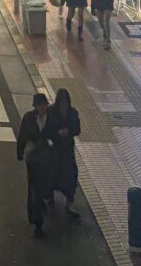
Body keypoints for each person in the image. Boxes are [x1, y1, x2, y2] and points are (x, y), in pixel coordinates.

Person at [16, 92, 55, 239]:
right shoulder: (29, 118)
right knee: (34, 188)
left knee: (43, 185)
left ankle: (42, 200)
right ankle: (37, 220)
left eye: (44, 105)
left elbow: (54, 135)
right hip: (32, 158)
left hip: (46, 158)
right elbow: (23, 136)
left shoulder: (51, 119)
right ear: (35, 107)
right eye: (39, 106)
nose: (42, 108)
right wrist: (20, 152)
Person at [49, 88, 81, 218]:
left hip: (67, 148)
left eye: (66, 104)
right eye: (62, 104)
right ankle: (49, 196)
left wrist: (69, 131)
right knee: (52, 173)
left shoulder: (73, 113)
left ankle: (69, 201)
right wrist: (57, 134)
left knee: (71, 174)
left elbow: (77, 129)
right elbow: (48, 129)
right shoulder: (51, 112)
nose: (64, 106)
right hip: (55, 148)